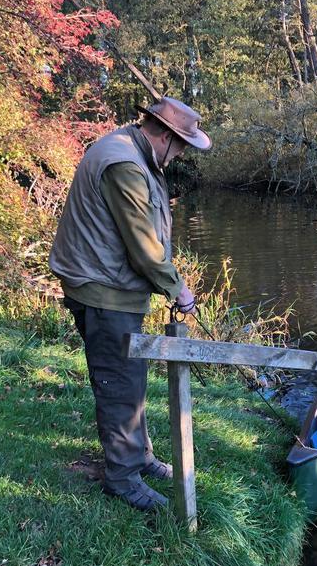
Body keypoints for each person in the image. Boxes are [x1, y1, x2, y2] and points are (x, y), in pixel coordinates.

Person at [49, 97, 211, 511]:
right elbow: (143, 247)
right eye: (181, 147)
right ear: (164, 135)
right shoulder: (124, 164)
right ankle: (122, 479)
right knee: (119, 385)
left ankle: (138, 456)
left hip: (113, 288)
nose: (181, 156)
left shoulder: (132, 151)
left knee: (131, 378)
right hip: (104, 292)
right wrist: (178, 289)